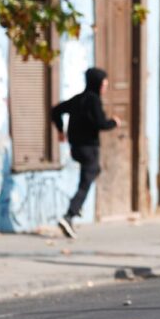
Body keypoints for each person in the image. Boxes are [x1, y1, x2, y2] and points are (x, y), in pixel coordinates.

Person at [52, 67, 120, 239]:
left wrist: (61, 130)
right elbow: (101, 123)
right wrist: (114, 122)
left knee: (93, 171)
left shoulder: (78, 99)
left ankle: (77, 206)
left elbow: (56, 110)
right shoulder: (94, 100)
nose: (105, 87)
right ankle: (70, 214)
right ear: (97, 84)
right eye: (104, 84)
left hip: (75, 149)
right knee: (86, 181)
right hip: (89, 148)